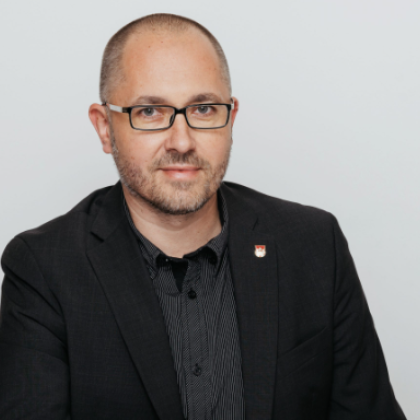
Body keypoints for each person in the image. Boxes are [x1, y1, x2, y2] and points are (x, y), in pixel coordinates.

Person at [0, 13, 406, 420]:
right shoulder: (44, 268)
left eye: (205, 108)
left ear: (231, 118)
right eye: (150, 112)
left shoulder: (314, 245)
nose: (182, 142)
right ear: (105, 127)